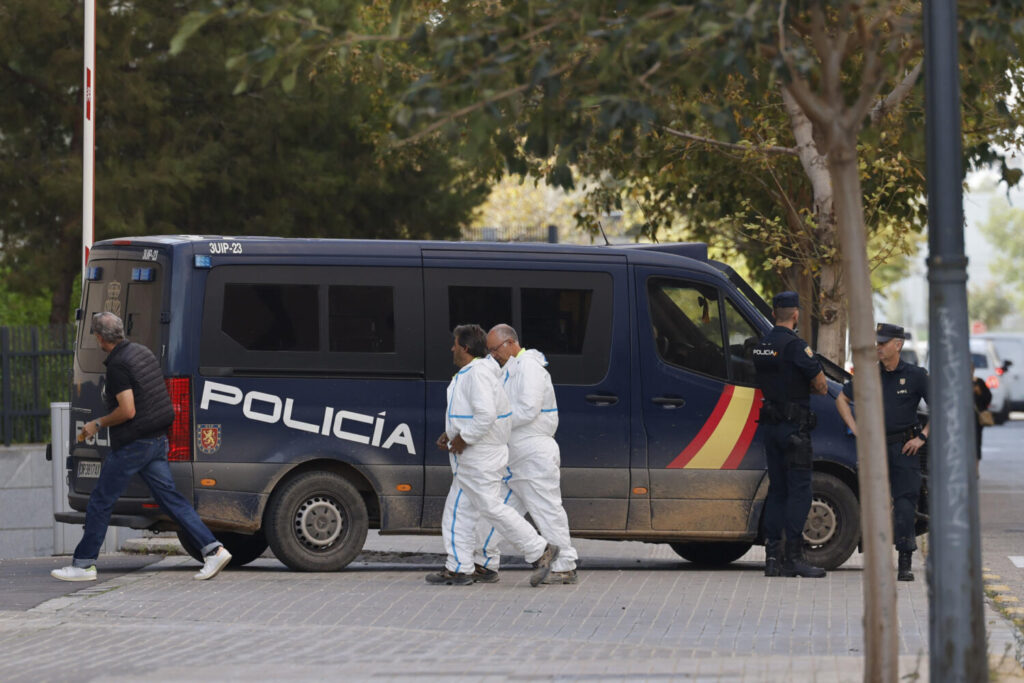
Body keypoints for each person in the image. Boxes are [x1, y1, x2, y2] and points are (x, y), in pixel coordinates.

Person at [52, 312, 232, 582]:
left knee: (101, 501)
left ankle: (84, 564)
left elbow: (128, 410)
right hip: (157, 439)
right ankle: (213, 549)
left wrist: (97, 424)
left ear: (99, 337)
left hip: (134, 444)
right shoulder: (141, 352)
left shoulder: (118, 366)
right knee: (171, 499)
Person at [429, 324, 559, 587]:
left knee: (489, 507)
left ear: (465, 348)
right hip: (479, 454)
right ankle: (460, 567)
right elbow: (472, 413)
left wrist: (463, 438)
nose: (452, 348)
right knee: (460, 510)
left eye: (455, 344)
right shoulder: (476, 373)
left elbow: (486, 414)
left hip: (479, 456)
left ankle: (538, 549)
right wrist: (451, 432)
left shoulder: (476, 375)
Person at [473, 324, 579, 584]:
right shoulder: (511, 368)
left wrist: (494, 423)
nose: (493, 355)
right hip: (515, 454)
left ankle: (565, 565)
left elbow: (528, 409)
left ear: (510, 343)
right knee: (496, 510)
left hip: (532, 454)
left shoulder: (529, 368)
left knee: (545, 510)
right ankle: (483, 562)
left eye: (495, 349)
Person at [835, 322, 929, 582]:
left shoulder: (915, 375)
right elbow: (841, 399)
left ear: (898, 345)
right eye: (877, 342)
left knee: (905, 505)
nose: (878, 346)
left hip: (904, 448)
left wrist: (922, 438)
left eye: (883, 342)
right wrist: (855, 428)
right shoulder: (868, 374)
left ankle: (905, 560)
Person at [752, 291, 828, 579]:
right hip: (794, 431)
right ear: (795, 314)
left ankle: (772, 558)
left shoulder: (761, 345)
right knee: (800, 491)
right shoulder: (797, 347)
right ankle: (793, 558)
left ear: (774, 313)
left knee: (778, 490)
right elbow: (821, 386)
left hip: (770, 427)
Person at [973, 367, 993, 473]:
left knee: (976, 443)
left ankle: (976, 468)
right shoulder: (959, 382)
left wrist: (979, 392)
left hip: (976, 419)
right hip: (962, 420)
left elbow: (988, 397)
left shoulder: (978, 382)